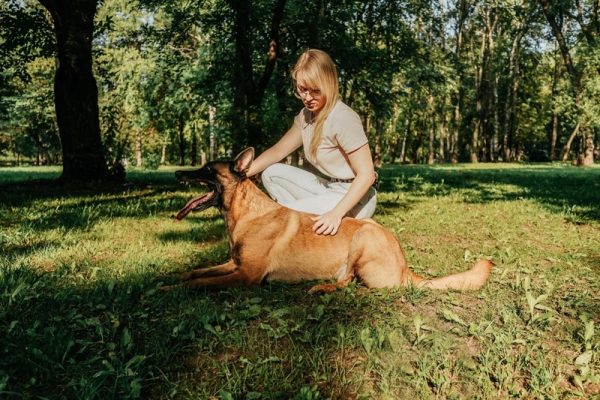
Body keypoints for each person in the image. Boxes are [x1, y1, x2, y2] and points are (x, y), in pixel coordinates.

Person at [247, 49, 377, 236]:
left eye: (315, 90)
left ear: (329, 84)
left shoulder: (343, 118)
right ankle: (302, 222)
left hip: (356, 197)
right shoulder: (305, 116)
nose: (307, 97)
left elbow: (367, 175)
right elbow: (278, 151)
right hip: (328, 187)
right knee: (271, 173)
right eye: (302, 89)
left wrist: (335, 214)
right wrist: (241, 172)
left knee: (280, 217)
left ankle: (307, 224)